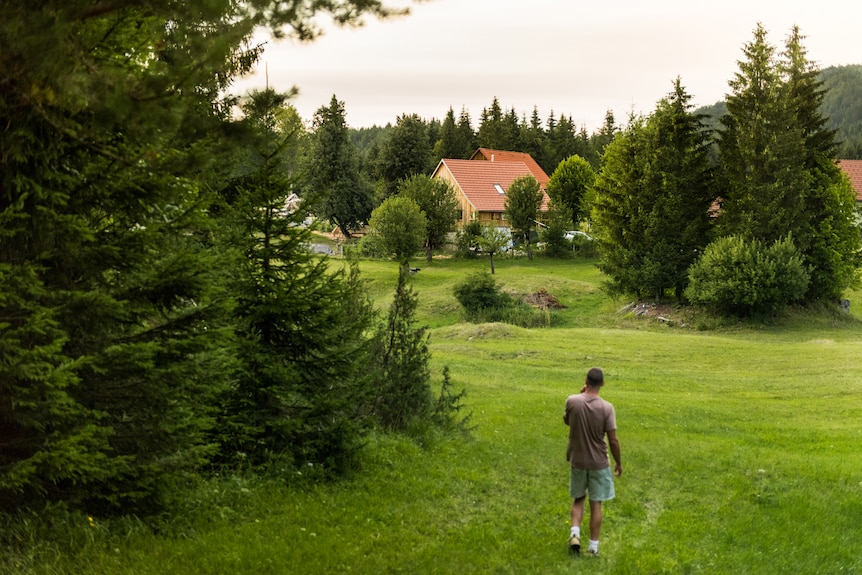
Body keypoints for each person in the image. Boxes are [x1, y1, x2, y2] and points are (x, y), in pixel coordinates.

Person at [563, 367, 622, 557]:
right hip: (599, 463)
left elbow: (567, 421)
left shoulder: (572, 401)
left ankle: (574, 533)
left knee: (579, 498)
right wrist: (618, 462)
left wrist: (580, 395)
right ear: (602, 384)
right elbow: (613, 439)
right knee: (596, 503)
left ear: (586, 380)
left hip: (578, 460)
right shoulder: (607, 408)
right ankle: (593, 548)